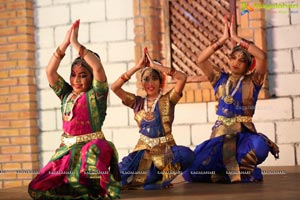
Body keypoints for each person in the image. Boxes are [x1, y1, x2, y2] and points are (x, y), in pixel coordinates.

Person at [28, 20, 120, 199]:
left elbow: (98, 67)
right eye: (73, 75)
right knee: (37, 188)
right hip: (67, 152)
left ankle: (98, 189)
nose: (77, 80)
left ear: (92, 78)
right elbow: (50, 72)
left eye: (83, 75)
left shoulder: (97, 95)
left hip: (92, 149)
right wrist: (65, 43)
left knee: (90, 157)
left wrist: (77, 45)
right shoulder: (66, 94)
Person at [182, 15, 279, 183]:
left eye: (242, 60)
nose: (236, 62)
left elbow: (262, 56)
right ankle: (228, 172)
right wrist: (222, 40)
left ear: (249, 66)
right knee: (194, 171)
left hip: (244, 135)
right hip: (221, 134)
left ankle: (237, 172)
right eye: (233, 57)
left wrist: (236, 39)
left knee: (260, 146)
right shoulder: (219, 79)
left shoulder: (253, 82)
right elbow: (201, 59)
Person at [110, 48, 194, 189]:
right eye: (146, 79)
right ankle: (156, 179)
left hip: (165, 152)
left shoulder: (168, 99)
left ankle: (158, 178)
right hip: (143, 153)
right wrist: (137, 67)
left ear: (160, 81)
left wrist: (156, 66)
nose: (150, 83)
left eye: (154, 78)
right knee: (117, 174)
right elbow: (115, 87)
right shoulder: (136, 102)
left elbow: (182, 77)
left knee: (188, 155)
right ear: (142, 83)